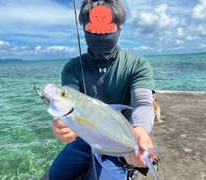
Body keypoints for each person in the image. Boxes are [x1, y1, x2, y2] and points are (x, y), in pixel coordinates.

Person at [44, 0, 156, 179]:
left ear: (119, 30)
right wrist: (63, 126)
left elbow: (143, 103)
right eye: (94, 27)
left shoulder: (137, 65)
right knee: (54, 176)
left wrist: (140, 131)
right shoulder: (72, 67)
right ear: (84, 29)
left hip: (117, 146)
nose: (100, 33)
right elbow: (70, 98)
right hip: (83, 140)